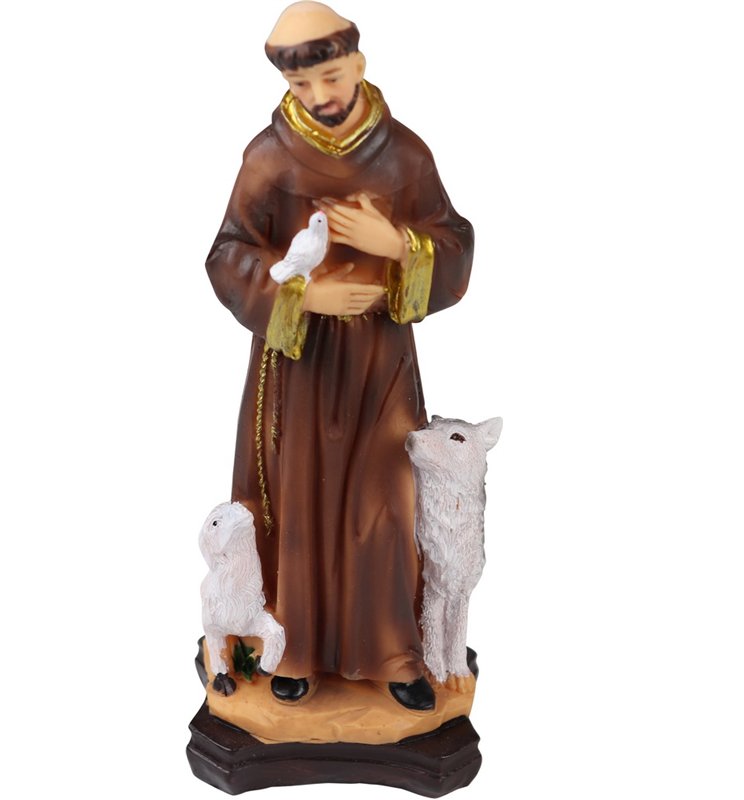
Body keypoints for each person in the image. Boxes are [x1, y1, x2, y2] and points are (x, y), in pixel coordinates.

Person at [205, 1, 474, 712]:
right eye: (302, 85)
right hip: (300, 365)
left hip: (380, 359)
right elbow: (228, 254)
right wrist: (303, 297)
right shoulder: (268, 159)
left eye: (331, 76)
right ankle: (295, 647)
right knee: (302, 501)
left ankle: (391, 650)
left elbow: (454, 243)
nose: (320, 95)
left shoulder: (405, 155)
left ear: (358, 62)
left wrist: (400, 246)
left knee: (384, 500)